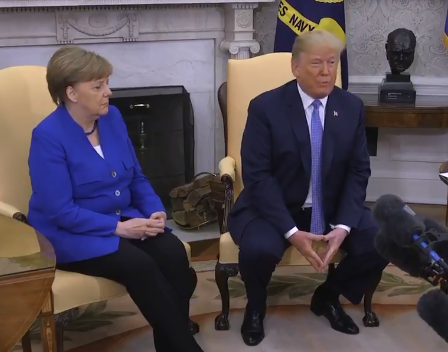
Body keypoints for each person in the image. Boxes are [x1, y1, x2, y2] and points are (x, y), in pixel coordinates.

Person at [27, 46, 204, 352]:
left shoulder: (112, 118)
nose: (108, 92)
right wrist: (120, 229)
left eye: (107, 82)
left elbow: (135, 175)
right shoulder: (47, 136)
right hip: (72, 233)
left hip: (125, 216)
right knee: (140, 266)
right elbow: (60, 211)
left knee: (173, 253)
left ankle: (170, 342)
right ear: (71, 93)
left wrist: (154, 211)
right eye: (98, 86)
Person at [227, 30, 389, 346]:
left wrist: (343, 225)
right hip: (275, 207)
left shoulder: (351, 106)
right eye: (316, 63)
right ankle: (256, 308)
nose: (326, 71)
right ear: (295, 67)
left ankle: (328, 295)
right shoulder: (265, 108)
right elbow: (257, 176)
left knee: (381, 242)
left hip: (331, 205)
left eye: (332, 63)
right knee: (258, 249)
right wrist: (291, 232)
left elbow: (359, 170)